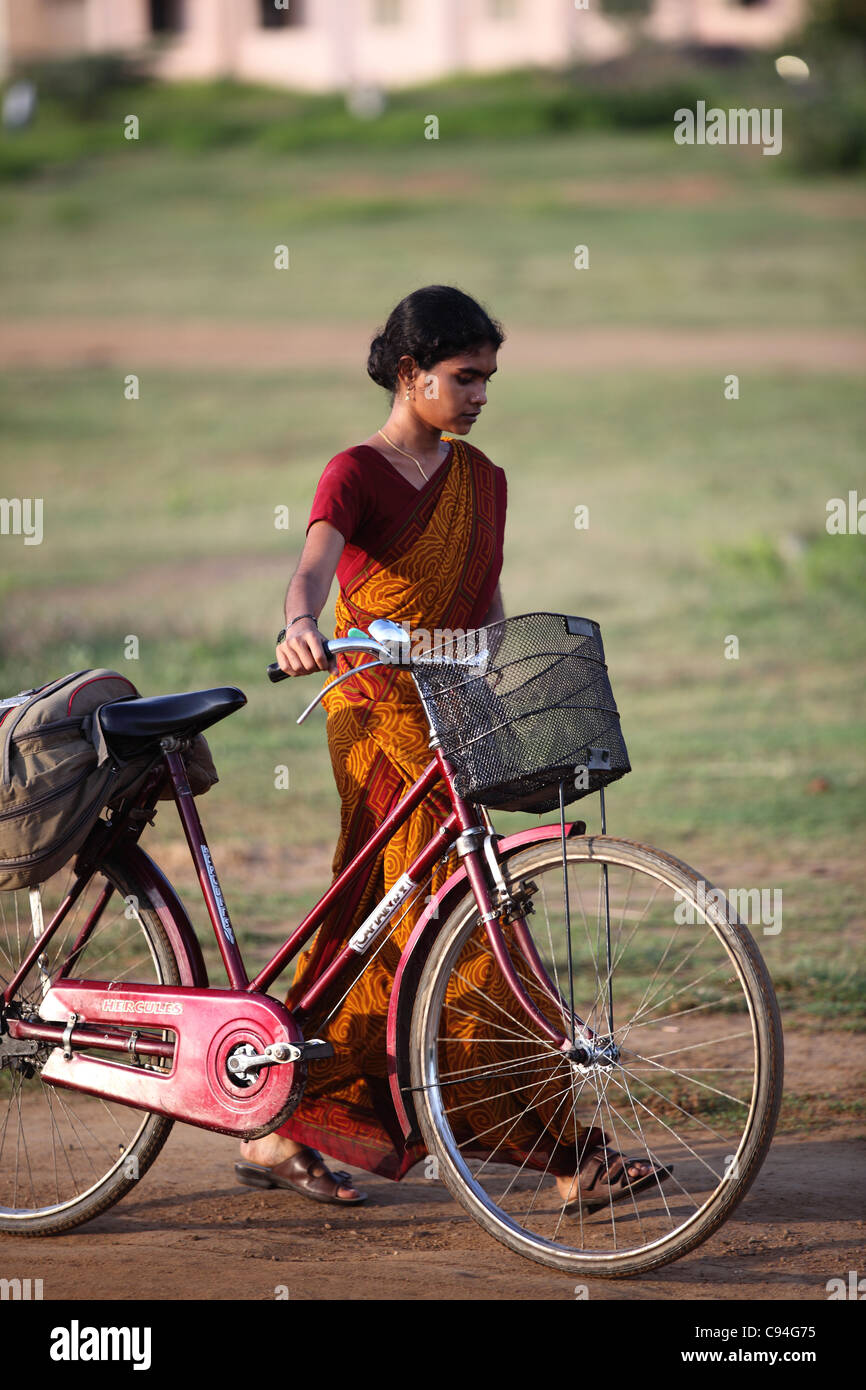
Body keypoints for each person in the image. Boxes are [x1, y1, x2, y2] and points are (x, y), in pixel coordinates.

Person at [235, 285, 665, 1209]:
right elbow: (313, 562)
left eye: (488, 380)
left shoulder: (485, 482)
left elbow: (486, 601)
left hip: (457, 716)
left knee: (403, 928)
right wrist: (300, 623)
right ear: (409, 373)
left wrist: (506, 679)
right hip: (375, 718)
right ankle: (564, 1155)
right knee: (438, 927)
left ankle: (282, 1123)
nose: (478, 396)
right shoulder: (354, 470)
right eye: (464, 377)